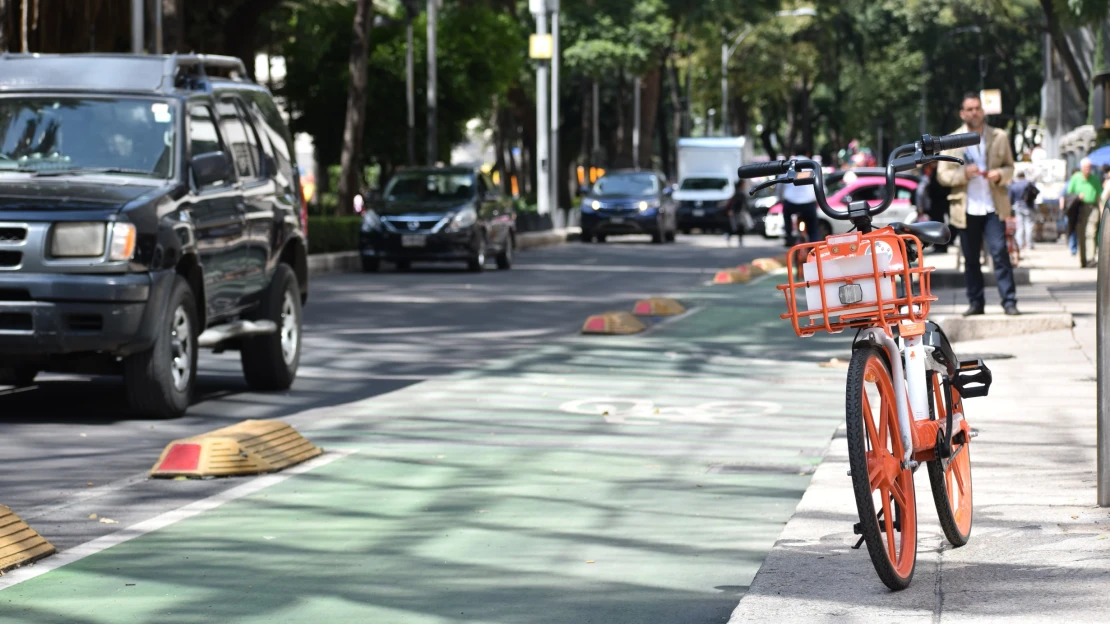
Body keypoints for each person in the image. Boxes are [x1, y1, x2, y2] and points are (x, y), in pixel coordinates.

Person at [937, 91, 1020, 316]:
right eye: (970, 109)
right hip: (966, 208)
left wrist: (999, 174)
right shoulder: (952, 139)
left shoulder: (999, 136)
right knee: (971, 258)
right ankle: (976, 302)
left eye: (978, 108)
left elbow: (1011, 168)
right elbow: (942, 175)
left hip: (993, 205)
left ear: (983, 111)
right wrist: (963, 173)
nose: (974, 112)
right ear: (962, 113)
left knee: (1000, 252)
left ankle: (1009, 301)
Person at [777, 149, 819, 246]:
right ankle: (813, 248)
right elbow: (821, 187)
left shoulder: (787, 165)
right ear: (808, 153)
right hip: (809, 203)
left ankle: (789, 236)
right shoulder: (813, 165)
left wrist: (779, 199)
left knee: (786, 216)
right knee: (813, 230)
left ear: (793, 153)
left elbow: (780, 185)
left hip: (791, 203)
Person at [1065, 158, 1101, 267]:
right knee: (1081, 234)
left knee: (1091, 232)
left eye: (1089, 167)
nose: (1088, 170)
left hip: (1092, 207)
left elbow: (1099, 196)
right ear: (1081, 168)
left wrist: (1102, 209)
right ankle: (1083, 260)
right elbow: (1069, 194)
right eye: (1086, 167)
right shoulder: (1076, 178)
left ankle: (1090, 258)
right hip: (1079, 208)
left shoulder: (1094, 179)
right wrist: (1077, 197)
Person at [914, 161, 953, 253]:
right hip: (934, 204)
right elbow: (921, 191)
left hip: (938, 203)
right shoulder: (929, 173)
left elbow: (920, 192)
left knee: (939, 226)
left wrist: (920, 206)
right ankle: (940, 246)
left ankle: (941, 246)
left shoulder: (935, 173)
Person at [1008, 171, 1037, 252]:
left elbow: (1010, 198)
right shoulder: (1029, 183)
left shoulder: (1014, 186)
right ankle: (1029, 244)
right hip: (1029, 206)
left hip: (1018, 207)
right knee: (1029, 226)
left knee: (1020, 226)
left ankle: (1019, 244)